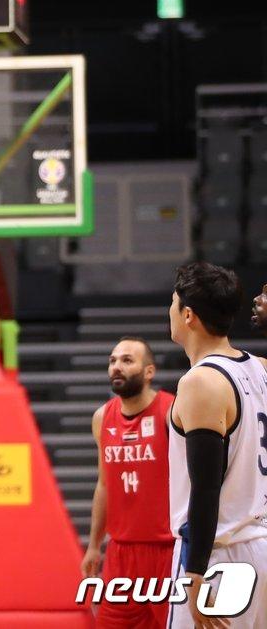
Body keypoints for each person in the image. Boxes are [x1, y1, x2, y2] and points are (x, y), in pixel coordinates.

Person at [168, 262, 267, 628]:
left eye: (173, 303)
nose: (170, 312)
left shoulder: (201, 381)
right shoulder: (260, 368)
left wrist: (194, 572)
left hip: (218, 556)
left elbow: (205, 489)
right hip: (258, 545)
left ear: (188, 315)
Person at [79, 336, 174, 629]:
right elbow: (104, 485)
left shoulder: (172, 411)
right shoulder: (102, 417)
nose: (116, 367)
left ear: (149, 372)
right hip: (121, 553)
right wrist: (94, 545)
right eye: (113, 361)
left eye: (127, 360)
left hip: (168, 550)